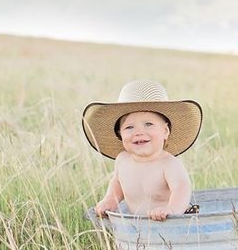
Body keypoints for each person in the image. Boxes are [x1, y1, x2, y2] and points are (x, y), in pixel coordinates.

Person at [82, 80, 202, 221]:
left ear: (165, 131)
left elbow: (181, 188)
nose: (138, 132)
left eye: (148, 124)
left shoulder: (169, 164)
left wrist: (171, 210)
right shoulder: (122, 160)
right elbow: (117, 182)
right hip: (140, 230)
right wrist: (110, 199)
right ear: (120, 134)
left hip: (174, 223)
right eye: (129, 127)